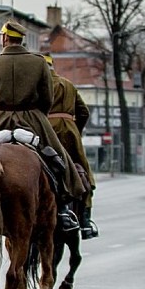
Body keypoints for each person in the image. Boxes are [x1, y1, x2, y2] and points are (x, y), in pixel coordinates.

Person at [0, 21, 85, 231]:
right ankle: (64, 206)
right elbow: (47, 97)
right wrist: (38, 115)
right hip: (34, 119)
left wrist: (1, 111)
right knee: (60, 159)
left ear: (4, 38)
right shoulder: (38, 63)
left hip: (1, 119)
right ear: (21, 39)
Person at [44, 54, 98, 238]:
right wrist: (76, 130)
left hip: (45, 130)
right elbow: (83, 111)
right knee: (82, 171)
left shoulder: (39, 84)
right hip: (69, 132)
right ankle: (85, 221)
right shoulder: (68, 84)